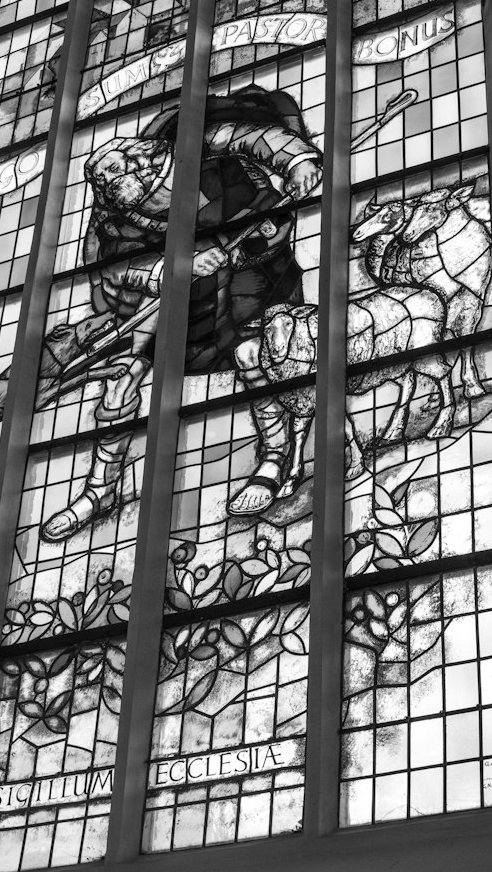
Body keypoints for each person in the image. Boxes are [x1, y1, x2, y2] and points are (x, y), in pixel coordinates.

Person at [39, 85, 322, 540]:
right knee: (121, 377)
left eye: (118, 179)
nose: (118, 192)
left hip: (252, 280)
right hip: (177, 307)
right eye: (112, 191)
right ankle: (101, 488)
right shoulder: (118, 217)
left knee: (253, 354)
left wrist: (297, 163)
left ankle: (275, 454)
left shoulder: (203, 154)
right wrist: (174, 266)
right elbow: (116, 267)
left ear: (146, 165)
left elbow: (255, 141)